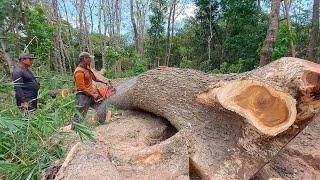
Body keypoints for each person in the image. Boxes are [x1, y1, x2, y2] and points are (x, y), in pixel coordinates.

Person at [72, 52, 109, 130]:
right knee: (80, 113)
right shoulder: (79, 71)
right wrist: (93, 95)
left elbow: (94, 78)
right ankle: (75, 130)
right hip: (82, 95)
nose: (91, 60)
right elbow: (81, 88)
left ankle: (101, 124)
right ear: (84, 59)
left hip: (90, 93)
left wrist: (103, 82)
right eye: (89, 58)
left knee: (101, 104)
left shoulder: (87, 68)